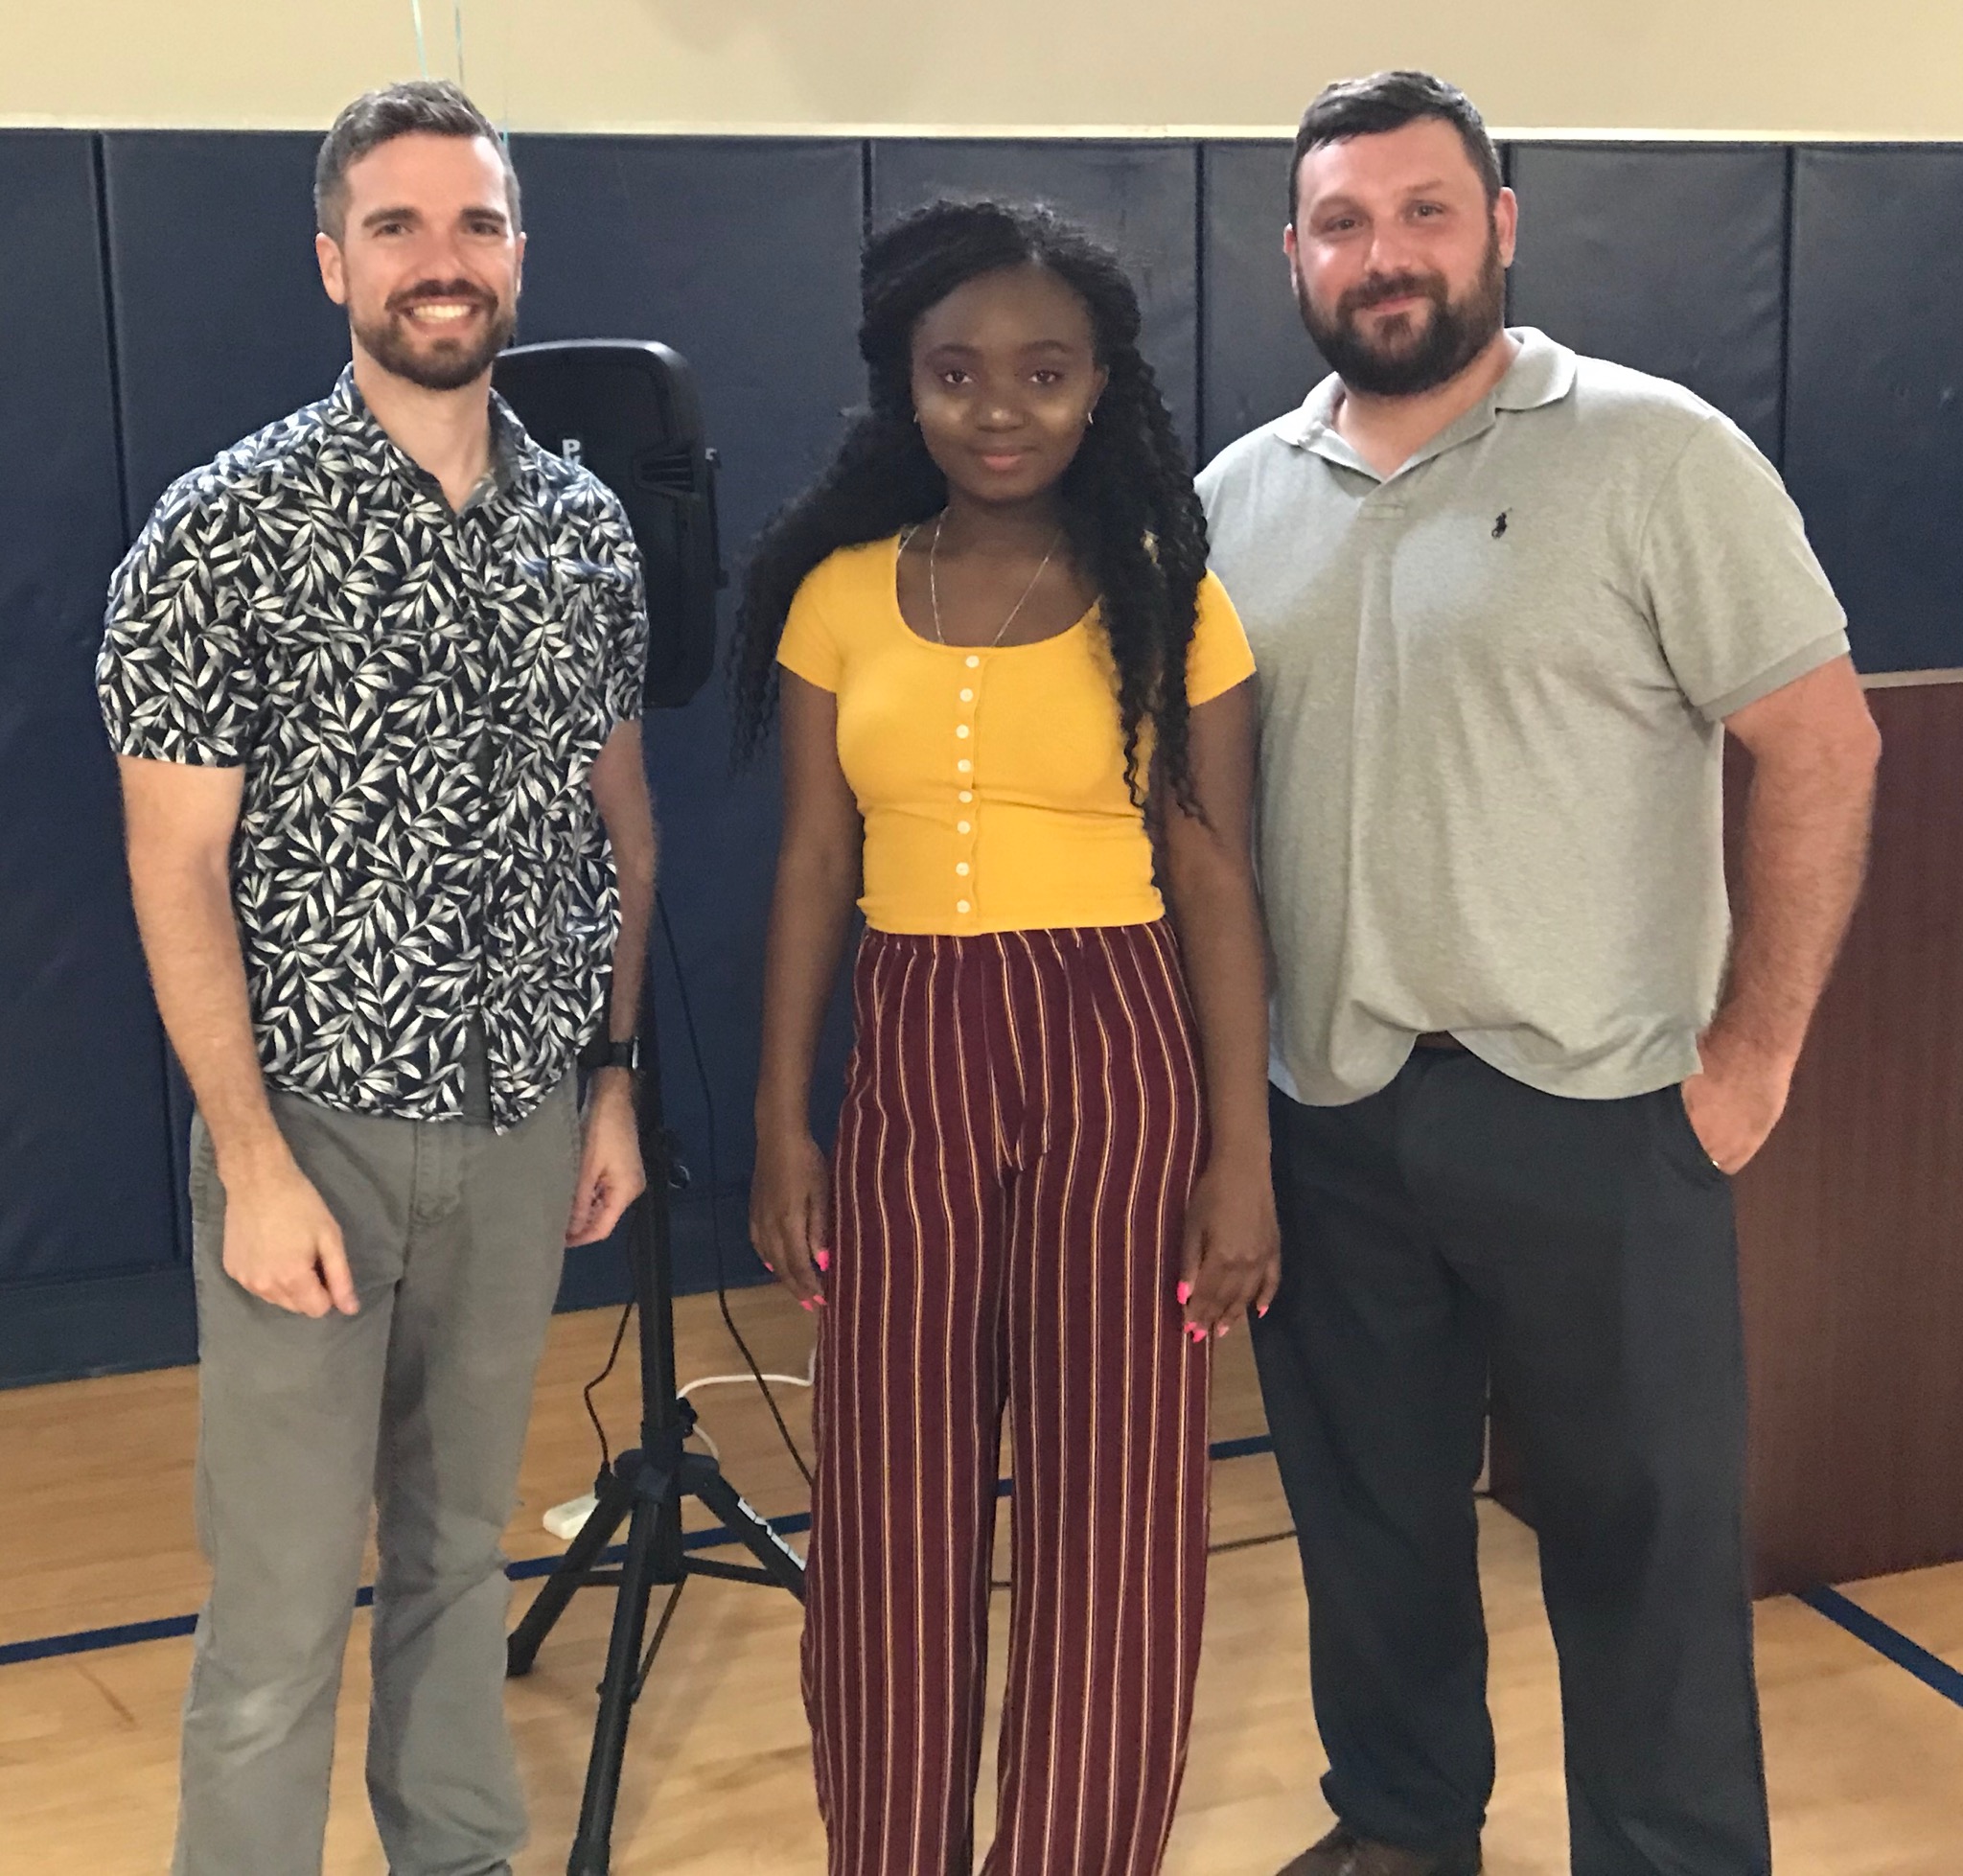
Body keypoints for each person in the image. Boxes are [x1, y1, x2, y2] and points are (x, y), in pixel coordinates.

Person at [1197, 70, 1882, 1876]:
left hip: (1601, 1112)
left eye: (1425, 210)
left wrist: (1757, 1057)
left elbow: (1819, 747)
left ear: (1501, 223)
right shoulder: (1232, 498)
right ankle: (1408, 1824)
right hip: (1333, 1114)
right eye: (1343, 221)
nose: (1384, 253)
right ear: (1293, 252)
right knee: (1370, 1528)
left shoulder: (1658, 452)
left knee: (1642, 1543)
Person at [97, 81, 656, 1876]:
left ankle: (459, 1853)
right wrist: (250, 1164)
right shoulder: (224, 528)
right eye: (399, 227)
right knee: (274, 1606)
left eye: (475, 224)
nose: (442, 261)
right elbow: (173, 867)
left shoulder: (585, 530)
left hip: (519, 1125)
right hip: (311, 1133)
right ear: (335, 259)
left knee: (457, 1553)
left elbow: (611, 828)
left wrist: (613, 1073)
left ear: (517, 255)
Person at [732, 198, 1281, 1876]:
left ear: (1103, 387)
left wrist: (1243, 1157)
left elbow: (1213, 878)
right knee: (891, 1493)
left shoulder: (1171, 595)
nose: (998, 407)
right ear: (903, 387)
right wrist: (783, 1120)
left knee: (1117, 1506)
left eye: (1045, 374)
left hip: (1121, 1046)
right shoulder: (835, 593)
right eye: (956, 372)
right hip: (914, 1043)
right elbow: (818, 862)